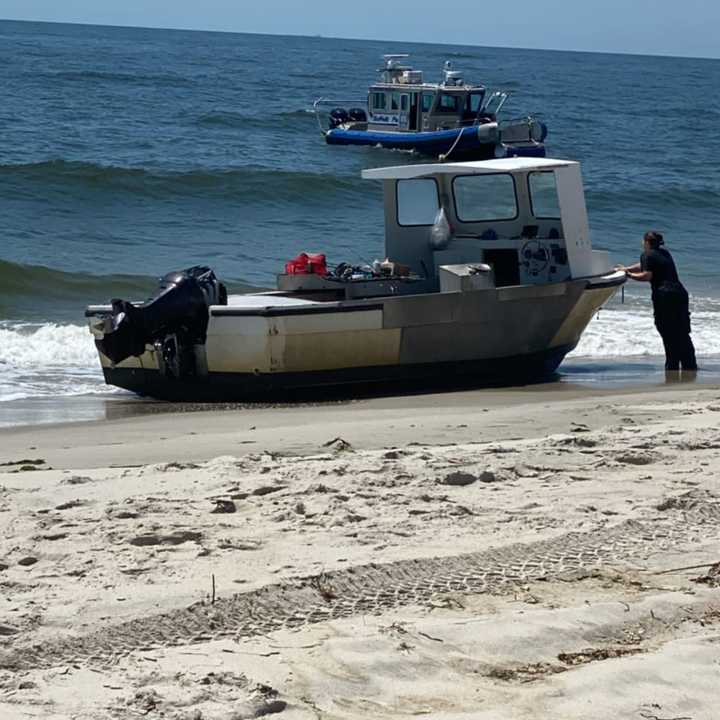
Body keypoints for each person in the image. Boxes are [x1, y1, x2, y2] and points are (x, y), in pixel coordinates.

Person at [617, 231, 697, 371]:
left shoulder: (647, 254)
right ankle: (689, 366)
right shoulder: (664, 253)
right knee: (682, 331)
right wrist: (628, 268)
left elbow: (646, 275)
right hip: (680, 294)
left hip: (665, 296)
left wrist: (628, 275)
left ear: (647, 242)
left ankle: (672, 366)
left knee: (666, 330)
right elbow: (644, 265)